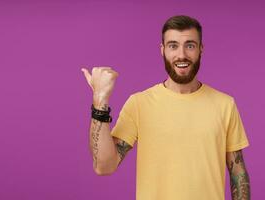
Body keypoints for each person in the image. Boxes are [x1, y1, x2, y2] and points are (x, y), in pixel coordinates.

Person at [81, 15, 250, 200]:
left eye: (190, 45)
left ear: (201, 50)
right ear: (162, 50)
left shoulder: (225, 105)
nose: (182, 54)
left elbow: (238, 173)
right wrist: (100, 100)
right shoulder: (139, 104)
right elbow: (104, 166)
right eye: (173, 45)